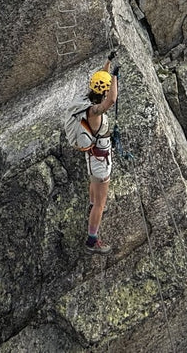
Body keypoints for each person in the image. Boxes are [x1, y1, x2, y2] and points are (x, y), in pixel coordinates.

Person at [82, 53, 120, 254]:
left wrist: (108, 62)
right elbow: (112, 99)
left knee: (93, 183)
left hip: (93, 155)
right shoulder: (95, 111)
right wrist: (115, 77)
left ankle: (91, 206)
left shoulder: (88, 100)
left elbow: (101, 80)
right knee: (101, 203)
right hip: (100, 160)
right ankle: (92, 241)